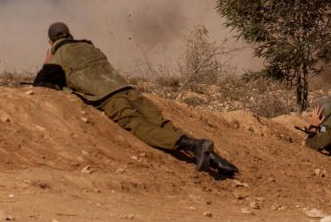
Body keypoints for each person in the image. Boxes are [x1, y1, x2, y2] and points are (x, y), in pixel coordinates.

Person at [33, 21, 238, 176]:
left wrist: (48, 59)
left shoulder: (58, 56)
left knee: (140, 127)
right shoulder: (89, 46)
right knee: (162, 123)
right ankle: (213, 158)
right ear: (70, 34)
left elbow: (41, 83)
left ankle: (193, 146)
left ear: (51, 42)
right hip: (128, 90)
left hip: (109, 98)